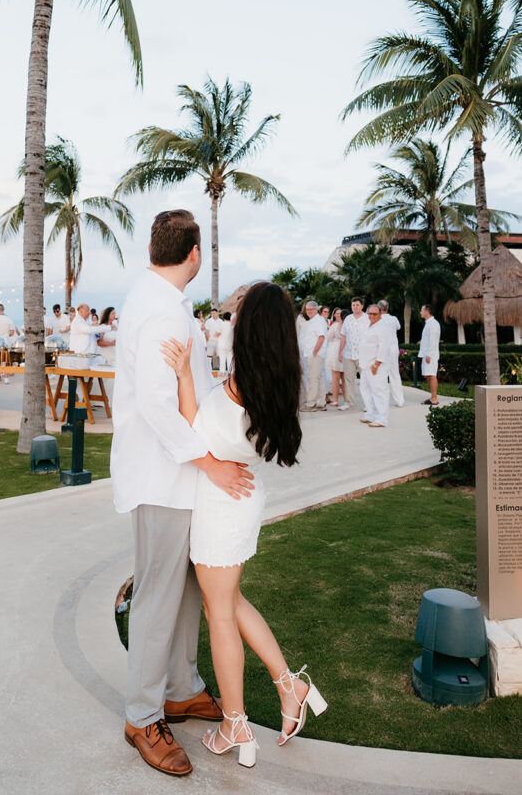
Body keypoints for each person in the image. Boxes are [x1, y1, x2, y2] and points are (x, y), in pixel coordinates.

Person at [111, 209, 254, 778]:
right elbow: (154, 404)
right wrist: (212, 463)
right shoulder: (160, 310)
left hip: (179, 475)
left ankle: (180, 687)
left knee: (188, 588)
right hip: (163, 474)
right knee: (156, 595)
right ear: (194, 253)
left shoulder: (160, 300)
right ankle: (143, 714)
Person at [161, 282, 327, 769]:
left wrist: (183, 379)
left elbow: (193, 429)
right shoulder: (274, 384)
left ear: (248, 328)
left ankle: (236, 724)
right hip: (242, 497)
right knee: (229, 602)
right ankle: (288, 685)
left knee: (220, 616)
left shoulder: (236, 388)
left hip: (221, 502)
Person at [358, 305, 391, 427]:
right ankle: (370, 415)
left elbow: (384, 347)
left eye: (374, 314)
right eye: (369, 313)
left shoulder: (383, 328)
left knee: (379, 391)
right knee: (366, 391)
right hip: (366, 365)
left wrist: (376, 364)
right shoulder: (369, 325)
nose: (371, 316)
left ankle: (382, 419)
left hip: (376, 366)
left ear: (380, 314)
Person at [338, 297, 369, 411]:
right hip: (348, 353)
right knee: (348, 379)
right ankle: (349, 402)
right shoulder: (348, 319)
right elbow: (343, 336)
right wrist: (340, 352)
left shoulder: (367, 318)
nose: (355, 307)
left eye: (357, 305)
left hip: (363, 354)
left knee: (365, 380)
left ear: (362, 306)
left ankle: (368, 403)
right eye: (353, 305)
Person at [378, 300, 404, 407]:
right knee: (394, 374)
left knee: (382, 375)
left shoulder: (377, 319)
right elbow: (398, 327)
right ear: (387, 308)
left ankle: (382, 401)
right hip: (393, 349)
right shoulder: (394, 319)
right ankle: (399, 400)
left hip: (382, 349)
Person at [302, 301, 327, 410]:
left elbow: (321, 337)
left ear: (317, 310)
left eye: (311, 309)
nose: (309, 311)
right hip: (314, 354)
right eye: (307, 309)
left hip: (315, 354)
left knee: (313, 379)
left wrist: (314, 352)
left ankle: (310, 404)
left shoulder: (318, 321)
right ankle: (321, 402)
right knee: (319, 378)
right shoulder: (314, 321)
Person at [419, 304, 441, 405]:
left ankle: (434, 398)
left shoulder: (433, 324)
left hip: (430, 355)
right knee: (428, 376)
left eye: (422, 310)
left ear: (427, 311)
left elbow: (433, 341)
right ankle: (432, 397)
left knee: (432, 375)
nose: (420, 312)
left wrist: (429, 354)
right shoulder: (428, 323)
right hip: (425, 354)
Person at [325, 308, 346, 407]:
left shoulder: (334, 326)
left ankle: (335, 400)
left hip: (335, 350)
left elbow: (328, 338)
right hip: (346, 350)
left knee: (335, 378)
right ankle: (347, 400)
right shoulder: (348, 325)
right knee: (345, 378)